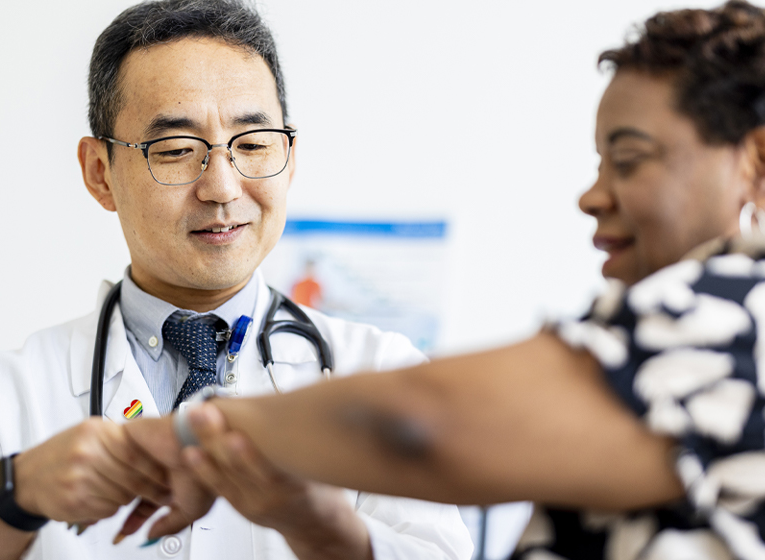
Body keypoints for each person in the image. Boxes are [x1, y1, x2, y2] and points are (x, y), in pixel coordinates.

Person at [122, 1, 765, 558]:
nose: (591, 196)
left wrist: (181, 436)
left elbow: (423, 423)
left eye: (628, 160)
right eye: (177, 149)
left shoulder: (741, 317)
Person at [0, 1, 473, 559]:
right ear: (99, 173)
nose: (223, 187)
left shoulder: (380, 374)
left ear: (290, 157)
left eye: (252, 144)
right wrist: (17, 495)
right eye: (177, 150)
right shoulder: (3, 396)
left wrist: (323, 527)